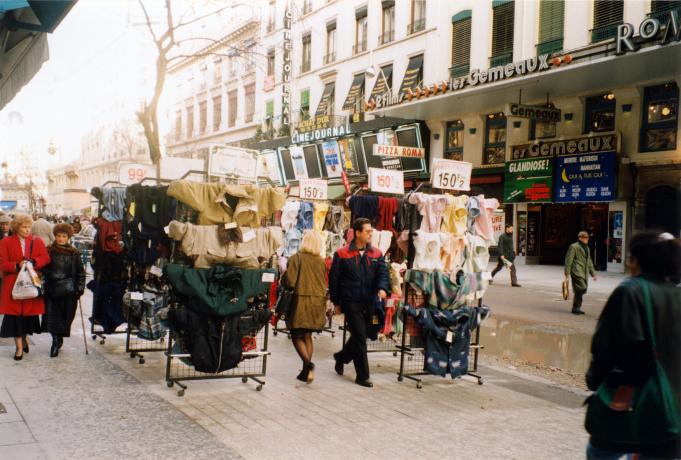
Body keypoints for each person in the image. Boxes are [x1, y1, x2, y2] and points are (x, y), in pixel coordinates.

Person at [585, 232, 681, 459]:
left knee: (600, 452)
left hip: (628, 402)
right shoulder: (676, 294)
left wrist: (597, 380)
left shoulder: (630, 290)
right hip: (670, 410)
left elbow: (607, 347)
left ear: (638, 260)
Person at [329, 218, 390, 388]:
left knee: (364, 334)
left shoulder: (377, 254)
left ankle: (341, 357)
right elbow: (334, 280)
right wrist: (336, 302)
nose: (371, 233)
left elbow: (383, 275)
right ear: (357, 233)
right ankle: (363, 376)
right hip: (351, 301)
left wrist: (382, 288)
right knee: (360, 337)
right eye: (368, 231)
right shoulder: (341, 253)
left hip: (370, 301)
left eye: (371, 231)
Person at [0, 213, 50, 360]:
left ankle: (25, 338)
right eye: (24, 227)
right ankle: (19, 348)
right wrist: (16, 265)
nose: (27, 229)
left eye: (29, 226)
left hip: (30, 285)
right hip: (12, 286)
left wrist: (34, 262)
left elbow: (45, 258)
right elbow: (2, 263)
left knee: (27, 317)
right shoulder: (5, 242)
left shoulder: (37, 241)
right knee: (14, 318)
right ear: (16, 227)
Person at [285, 230, 327, 383]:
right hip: (317, 302)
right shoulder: (321, 261)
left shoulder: (296, 258)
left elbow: (289, 281)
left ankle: (308, 365)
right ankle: (305, 371)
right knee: (307, 335)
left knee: (296, 335)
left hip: (300, 302)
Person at [42, 223, 86, 358]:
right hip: (52, 290)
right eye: (58, 236)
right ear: (55, 236)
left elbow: (81, 273)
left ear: (68, 237)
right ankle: (55, 340)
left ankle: (59, 336)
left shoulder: (74, 253)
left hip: (69, 290)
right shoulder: (48, 250)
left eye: (63, 236)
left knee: (66, 317)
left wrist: (79, 288)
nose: (60, 239)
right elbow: (42, 268)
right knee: (52, 317)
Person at [564, 230, 597, 315]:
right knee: (581, 288)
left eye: (588, 237)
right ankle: (576, 308)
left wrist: (593, 274)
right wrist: (567, 272)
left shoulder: (587, 248)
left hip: (584, 271)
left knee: (581, 290)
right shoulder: (574, 247)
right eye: (586, 237)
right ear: (580, 238)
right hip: (576, 271)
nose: (587, 239)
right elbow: (569, 259)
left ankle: (576, 308)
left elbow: (589, 261)